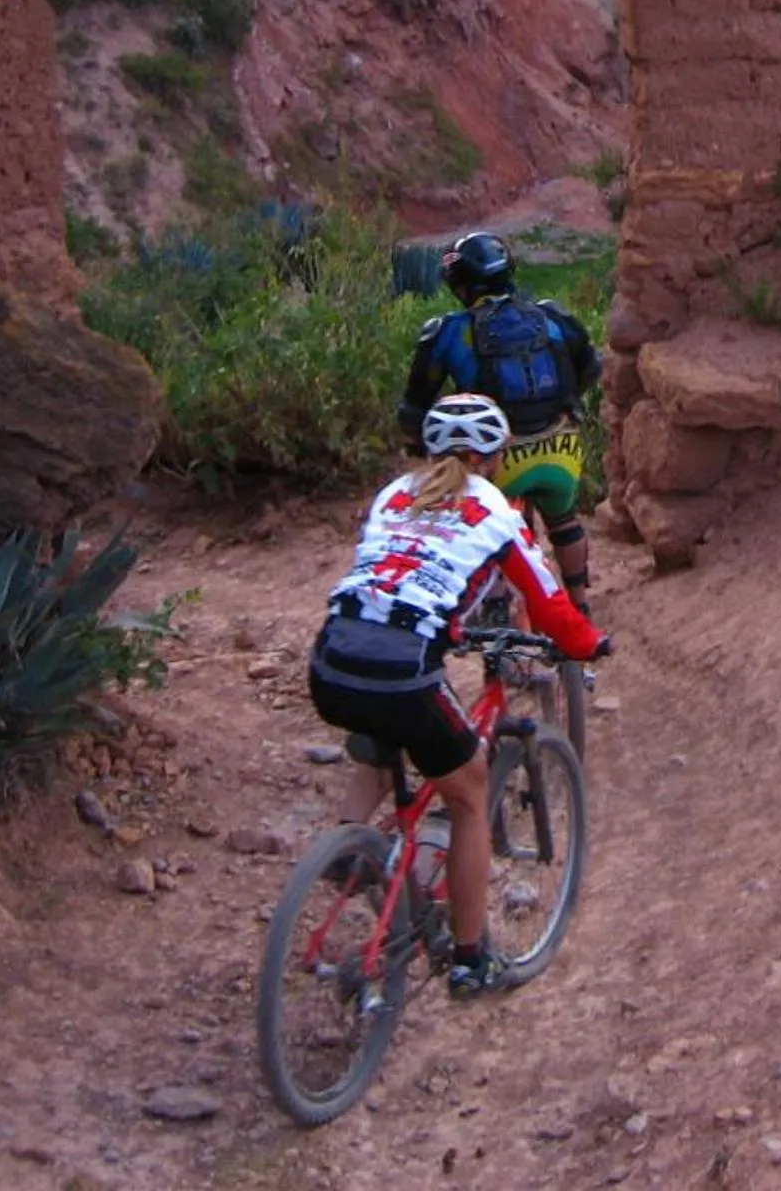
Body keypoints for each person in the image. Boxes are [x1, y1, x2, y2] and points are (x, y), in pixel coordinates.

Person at [307, 393, 609, 996]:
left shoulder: (393, 494)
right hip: (406, 669)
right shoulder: (497, 512)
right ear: (495, 458)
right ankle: (472, 960)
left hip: (331, 656)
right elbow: (548, 602)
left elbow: (393, 570)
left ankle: (348, 843)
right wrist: (586, 643)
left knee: (384, 730)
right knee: (469, 793)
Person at [398, 232, 605, 614]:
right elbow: (591, 368)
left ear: (460, 284)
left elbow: (415, 408)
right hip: (561, 451)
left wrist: (419, 445)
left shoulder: (448, 331)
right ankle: (580, 605)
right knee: (563, 520)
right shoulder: (553, 316)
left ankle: (496, 615)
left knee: (492, 529)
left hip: (496, 457)